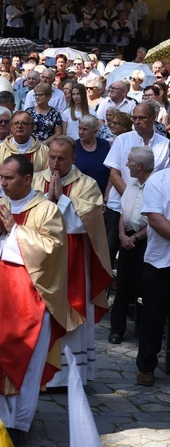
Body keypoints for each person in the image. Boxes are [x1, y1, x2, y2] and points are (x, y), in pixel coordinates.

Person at [0, 154, 67, 443]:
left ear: (27, 179)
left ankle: (20, 423)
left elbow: (52, 249)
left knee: (27, 360)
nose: (2, 183)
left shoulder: (46, 210)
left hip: (30, 298)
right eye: (1, 177)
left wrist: (15, 230)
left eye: (8, 178)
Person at [32, 136, 112, 387]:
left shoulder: (87, 184)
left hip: (74, 263)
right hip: (42, 263)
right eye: (52, 157)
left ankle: (70, 377)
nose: (55, 164)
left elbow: (86, 222)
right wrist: (48, 200)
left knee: (74, 312)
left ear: (74, 159)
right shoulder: (35, 180)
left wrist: (60, 200)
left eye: (61, 158)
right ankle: (41, 373)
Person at [103, 103, 170, 268]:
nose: (137, 122)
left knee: (140, 261)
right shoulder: (122, 140)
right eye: (134, 118)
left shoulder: (165, 145)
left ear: (154, 118)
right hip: (118, 207)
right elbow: (114, 173)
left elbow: (164, 180)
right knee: (107, 255)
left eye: (141, 118)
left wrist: (143, 202)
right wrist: (132, 198)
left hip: (149, 213)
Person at [109, 146, 152, 345]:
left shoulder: (155, 187)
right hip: (126, 238)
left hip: (144, 242)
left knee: (144, 288)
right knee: (122, 286)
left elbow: (154, 220)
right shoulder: (132, 184)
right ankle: (117, 329)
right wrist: (121, 235)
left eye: (129, 162)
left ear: (139, 165)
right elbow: (122, 213)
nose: (126, 165)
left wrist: (135, 238)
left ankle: (143, 330)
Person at [136, 148, 170, 386]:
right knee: (153, 317)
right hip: (161, 261)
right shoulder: (158, 180)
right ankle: (147, 367)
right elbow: (156, 220)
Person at [0, 111, 49, 210]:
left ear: (32, 127)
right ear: (11, 127)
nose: (19, 126)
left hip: (34, 204)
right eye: (16, 123)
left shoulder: (44, 152)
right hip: (5, 202)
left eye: (24, 123)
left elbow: (49, 178)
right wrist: (10, 181)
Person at [75, 114, 111, 195]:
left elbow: (111, 173)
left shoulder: (105, 145)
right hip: (79, 196)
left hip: (102, 195)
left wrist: (107, 196)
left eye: (85, 129)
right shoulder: (73, 147)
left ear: (95, 131)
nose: (81, 132)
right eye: (79, 128)